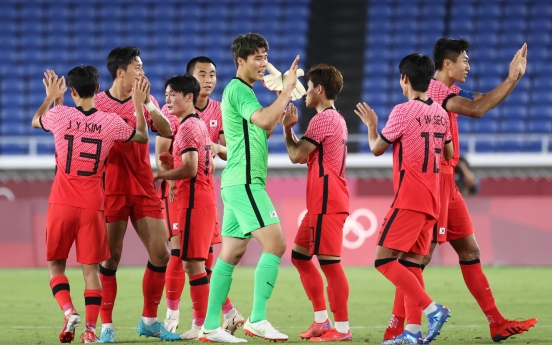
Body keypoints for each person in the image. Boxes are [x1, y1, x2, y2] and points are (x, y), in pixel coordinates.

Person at [382, 39, 537, 343]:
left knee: (469, 251)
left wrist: (511, 80)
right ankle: (397, 328)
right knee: (416, 259)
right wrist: (513, 77)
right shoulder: (438, 92)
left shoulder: (447, 91)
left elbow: (479, 98)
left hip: (448, 183)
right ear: (447, 64)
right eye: (465, 60)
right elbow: (478, 108)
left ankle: (496, 322)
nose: (469, 65)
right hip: (435, 182)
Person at [31, 67, 149, 343]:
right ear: (98, 90)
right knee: (91, 271)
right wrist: (139, 107)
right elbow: (142, 136)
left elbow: (37, 120)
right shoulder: (110, 122)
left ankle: (69, 310)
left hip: (61, 201)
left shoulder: (60, 114)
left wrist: (50, 97)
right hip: (94, 204)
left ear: (71, 91)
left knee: (56, 266)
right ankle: (90, 331)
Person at [197, 32, 300, 343]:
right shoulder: (239, 90)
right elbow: (264, 122)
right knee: (277, 245)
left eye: (265, 56)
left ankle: (211, 326)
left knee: (230, 255)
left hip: (237, 180)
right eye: (257, 57)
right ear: (240, 61)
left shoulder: (245, 93)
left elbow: (258, 133)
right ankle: (257, 319)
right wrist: (287, 89)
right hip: (244, 181)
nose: (263, 62)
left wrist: (283, 122)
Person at [355, 53, 454, 344]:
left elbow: (376, 148)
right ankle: (411, 332)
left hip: (409, 197)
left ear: (405, 79)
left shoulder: (402, 111)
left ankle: (433, 309)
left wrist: (372, 124)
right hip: (432, 200)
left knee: (383, 261)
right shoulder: (440, 112)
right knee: (411, 264)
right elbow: (448, 154)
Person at [94, 46, 181, 342]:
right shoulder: (98, 104)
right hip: (111, 188)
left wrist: (148, 106)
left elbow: (168, 131)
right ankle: (106, 325)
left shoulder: (146, 100)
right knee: (110, 259)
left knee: (161, 254)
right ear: (121, 72)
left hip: (143, 186)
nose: (143, 72)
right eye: (138, 67)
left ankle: (149, 320)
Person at [158, 57, 243, 336]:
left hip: (196, 190)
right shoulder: (171, 112)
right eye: (202, 74)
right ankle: (174, 314)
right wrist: (166, 176)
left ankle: (207, 321)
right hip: (177, 192)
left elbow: (231, 153)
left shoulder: (217, 112)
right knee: (180, 254)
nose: (209, 79)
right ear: (191, 79)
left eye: (213, 74)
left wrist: (216, 150)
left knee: (198, 258)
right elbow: (162, 152)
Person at [281, 64, 352, 342]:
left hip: (327, 200)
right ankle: (322, 321)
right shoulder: (336, 119)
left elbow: (297, 155)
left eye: (308, 87)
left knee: (331, 265)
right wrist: (291, 133)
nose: (305, 93)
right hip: (320, 202)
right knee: (299, 257)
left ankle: (343, 330)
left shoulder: (323, 120)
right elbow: (302, 153)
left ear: (319, 89)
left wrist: (288, 130)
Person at [153, 74, 217, 340]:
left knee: (193, 265)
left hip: (194, 202)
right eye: (166, 95)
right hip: (194, 200)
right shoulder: (191, 124)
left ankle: (202, 325)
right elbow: (206, 164)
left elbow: (191, 169)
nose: (168, 100)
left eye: (173, 95)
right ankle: (198, 322)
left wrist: (159, 175)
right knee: (186, 260)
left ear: (189, 97)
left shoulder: (189, 127)